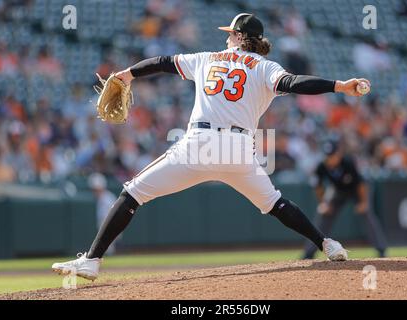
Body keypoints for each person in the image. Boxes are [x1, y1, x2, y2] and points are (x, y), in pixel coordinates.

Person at [52, 13, 371, 280]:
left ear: (239, 36)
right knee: (274, 203)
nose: (226, 38)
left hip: (199, 144)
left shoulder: (206, 59)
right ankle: (326, 243)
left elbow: (163, 62)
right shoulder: (265, 67)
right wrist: (339, 86)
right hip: (238, 150)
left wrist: (128, 74)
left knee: (132, 193)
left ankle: (92, 260)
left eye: (231, 33)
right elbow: (293, 83)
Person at [302, 140, 388, 259]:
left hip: (357, 190)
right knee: (323, 216)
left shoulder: (348, 162)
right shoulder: (322, 166)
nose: (330, 159)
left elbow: (361, 184)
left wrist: (363, 202)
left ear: (338, 153)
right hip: (338, 191)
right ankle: (309, 253)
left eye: (332, 155)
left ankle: (381, 250)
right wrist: (323, 203)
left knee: (367, 215)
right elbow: (318, 185)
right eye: (327, 156)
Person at [88, 173, 118, 255]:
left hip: (111, 224)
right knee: (105, 248)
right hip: (104, 224)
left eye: (97, 189)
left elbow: (115, 214)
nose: (95, 191)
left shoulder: (108, 198)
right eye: (94, 189)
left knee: (107, 248)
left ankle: (110, 264)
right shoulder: (100, 198)